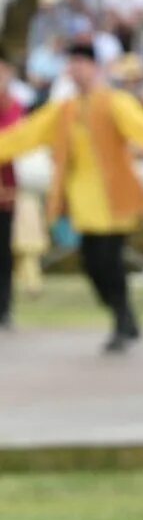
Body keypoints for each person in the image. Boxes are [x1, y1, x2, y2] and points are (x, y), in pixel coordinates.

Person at [0, 42, 143, 352]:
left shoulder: (115, 103)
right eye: (72, 63)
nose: (76, 69)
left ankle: (123, 320)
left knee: (109, 263)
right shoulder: (65, 110)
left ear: (95, 67)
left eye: (82, 63)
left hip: (114, 200)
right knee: (93, 264)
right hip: (85, 206)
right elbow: (24, 135)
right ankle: (124, 318)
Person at [0, 57, 23, 330]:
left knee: (3, 253)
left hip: (5, 191)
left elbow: (16, 136)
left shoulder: (14, 106)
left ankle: (4, 308)